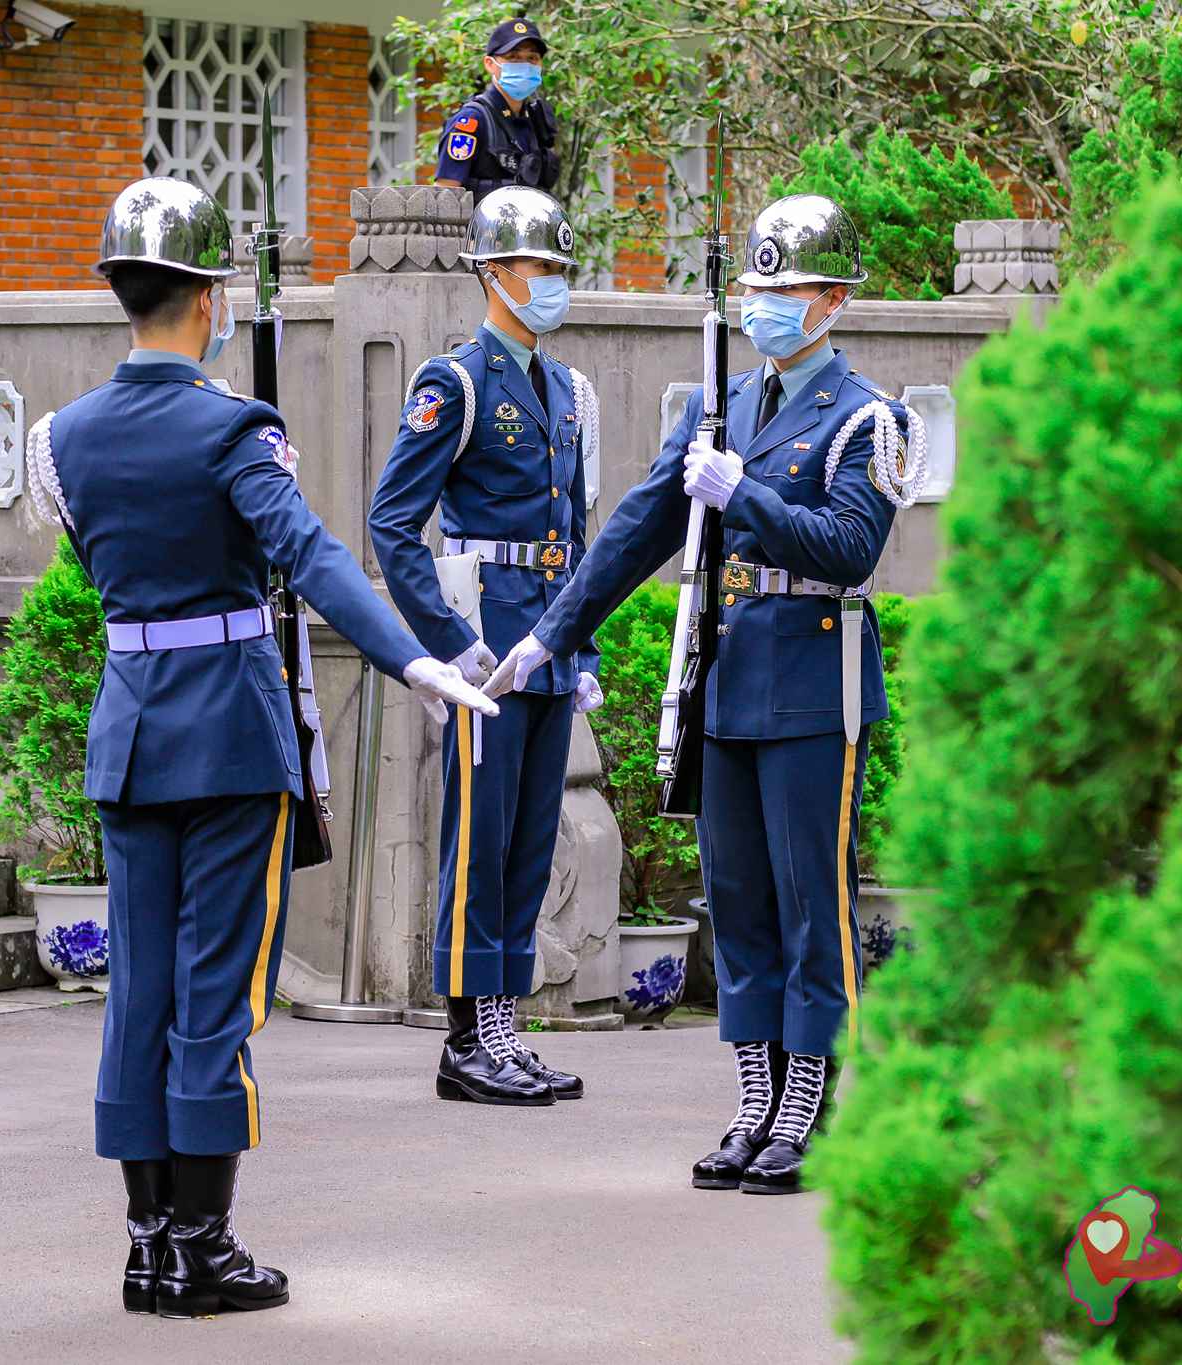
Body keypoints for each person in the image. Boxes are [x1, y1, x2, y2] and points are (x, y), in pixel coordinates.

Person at [24, 177, 499, 1317]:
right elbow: (313, 554)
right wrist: (413, 658)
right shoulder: (233, 426)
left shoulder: (65, 438)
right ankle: (203, 1246)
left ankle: (146, 1246)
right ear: (207, 299)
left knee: (137, 986)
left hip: (130, 730)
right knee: (215, 991)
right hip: (231, 734)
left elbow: (100, 572)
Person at [483, 194, 920, 1194]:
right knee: (735, 898)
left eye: (786, 290)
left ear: (834, 301)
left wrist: (744, 498)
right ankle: (753, 1097)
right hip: (727, 686)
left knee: (812, 901)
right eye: (754, 289)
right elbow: (635, 531)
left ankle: (809, 1104)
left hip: (816, 685)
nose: (765, 306)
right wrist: (548, 636)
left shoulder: (866, 417)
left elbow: (849, 552)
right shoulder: (716, 406)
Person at [369, 186, 603, 1106]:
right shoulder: (455, 382)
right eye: (538, 268)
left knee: (528, 839)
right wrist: (452, 645)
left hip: (542, 643)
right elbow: (394, 526)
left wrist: (576, 652)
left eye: (557, 269)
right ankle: (468, 1035)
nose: (550, 284)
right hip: (484, 642)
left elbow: (576, 533)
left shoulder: (565, 387)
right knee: (479, 838)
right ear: (494, 274)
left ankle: (504, 1023)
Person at [435, 16, 561, 202]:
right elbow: (444, 194)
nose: (524, 65)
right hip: (478, 230)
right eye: (513, 57)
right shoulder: (472, 120)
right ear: (489, 64)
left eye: (532, 58)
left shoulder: (535, 120)